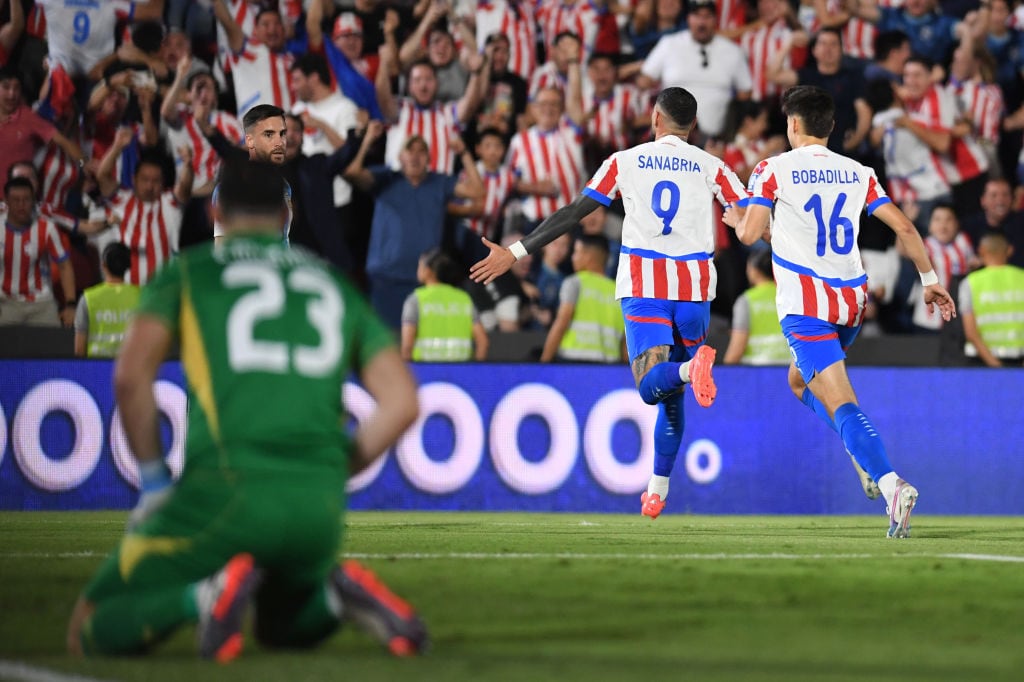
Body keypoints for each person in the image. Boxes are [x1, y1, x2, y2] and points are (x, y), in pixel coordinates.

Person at [65, 159, 427, 662]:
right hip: (318, 510)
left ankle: (205, 595)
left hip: (224, 492)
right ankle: (330, 596)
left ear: (216, 208)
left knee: (88, 627)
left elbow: (130, 377)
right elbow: (404, 403)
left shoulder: (189, 272)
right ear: (286, 214)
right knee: (279, 629)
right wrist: (333, 466)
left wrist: (152, 484)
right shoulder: (332, 282)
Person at [471, 87, 748, 519]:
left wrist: (516, 251)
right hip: (694, 288)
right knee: (673, 392)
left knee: (651, 383)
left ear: (655, 119)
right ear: (692, 126)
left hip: (645, 284)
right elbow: (752, 218)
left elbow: (574, 212)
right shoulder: (713, 165)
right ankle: (657, 489)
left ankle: (690, 370)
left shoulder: (625, 161)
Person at [725, 85, 957, 538]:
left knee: (842, 401)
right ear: (830, 127)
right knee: (798, 381)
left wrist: (740, 221)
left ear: (793, 125)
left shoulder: (772, 169)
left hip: (807, 306)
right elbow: (905, 226)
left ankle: (892, 484)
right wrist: (930, 282)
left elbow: (750, 234)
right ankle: (860, 451)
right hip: (851, 302)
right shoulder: (859, 172)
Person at [211, 104, 293, 244]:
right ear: (250, 141)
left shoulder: (284, 185)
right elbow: (221, 247)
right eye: (269, 134)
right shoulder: (230, 187)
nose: (279, 142)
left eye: (282, 133)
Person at [0, 177, 76, 327]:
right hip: (5, 303)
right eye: (16, 200)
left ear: (33, 200)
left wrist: (71, 305)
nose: (21, 205)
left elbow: (65, 266)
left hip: (42, 303)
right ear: (6, 201)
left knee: (52, 348)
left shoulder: (47, 228)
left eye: (26, 200)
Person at [540, 234, 624, 363]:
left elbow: (561, 323)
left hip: (573, 363)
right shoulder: (619, 292)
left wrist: (544, 362)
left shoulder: (575, 282)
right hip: (609, 368)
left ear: (588, 256)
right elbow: (625, 340)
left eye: (576, 252)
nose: (572, 258)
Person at [401, 248, 489, 362]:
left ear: (428, 271)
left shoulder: (416, 300)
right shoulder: (464, 299)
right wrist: (474, 372)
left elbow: (407, 347)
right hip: (460, 373)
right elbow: (483, 342)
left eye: (420, 265)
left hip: (426, 373)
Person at [959, 231, 1024, 367]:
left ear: (981, 251)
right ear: (1010, 251)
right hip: (1018, 360)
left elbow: (971, 332)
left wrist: (996, 367)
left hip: (982, 361)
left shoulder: (970, 283)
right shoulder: (1021, 278)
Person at [723, 248, 789, 365]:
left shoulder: (746, 300)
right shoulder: (788, 296)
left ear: (754, 270)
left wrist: (723, 374)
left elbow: (737, 348)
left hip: (755, 372)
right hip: (789, 369)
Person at [74, 243, 140, 358]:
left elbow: (79, 349)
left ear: (103, 265)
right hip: (131, 366)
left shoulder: (88, 298)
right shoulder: (142, 296)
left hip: (96, 369)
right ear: (128, 266)